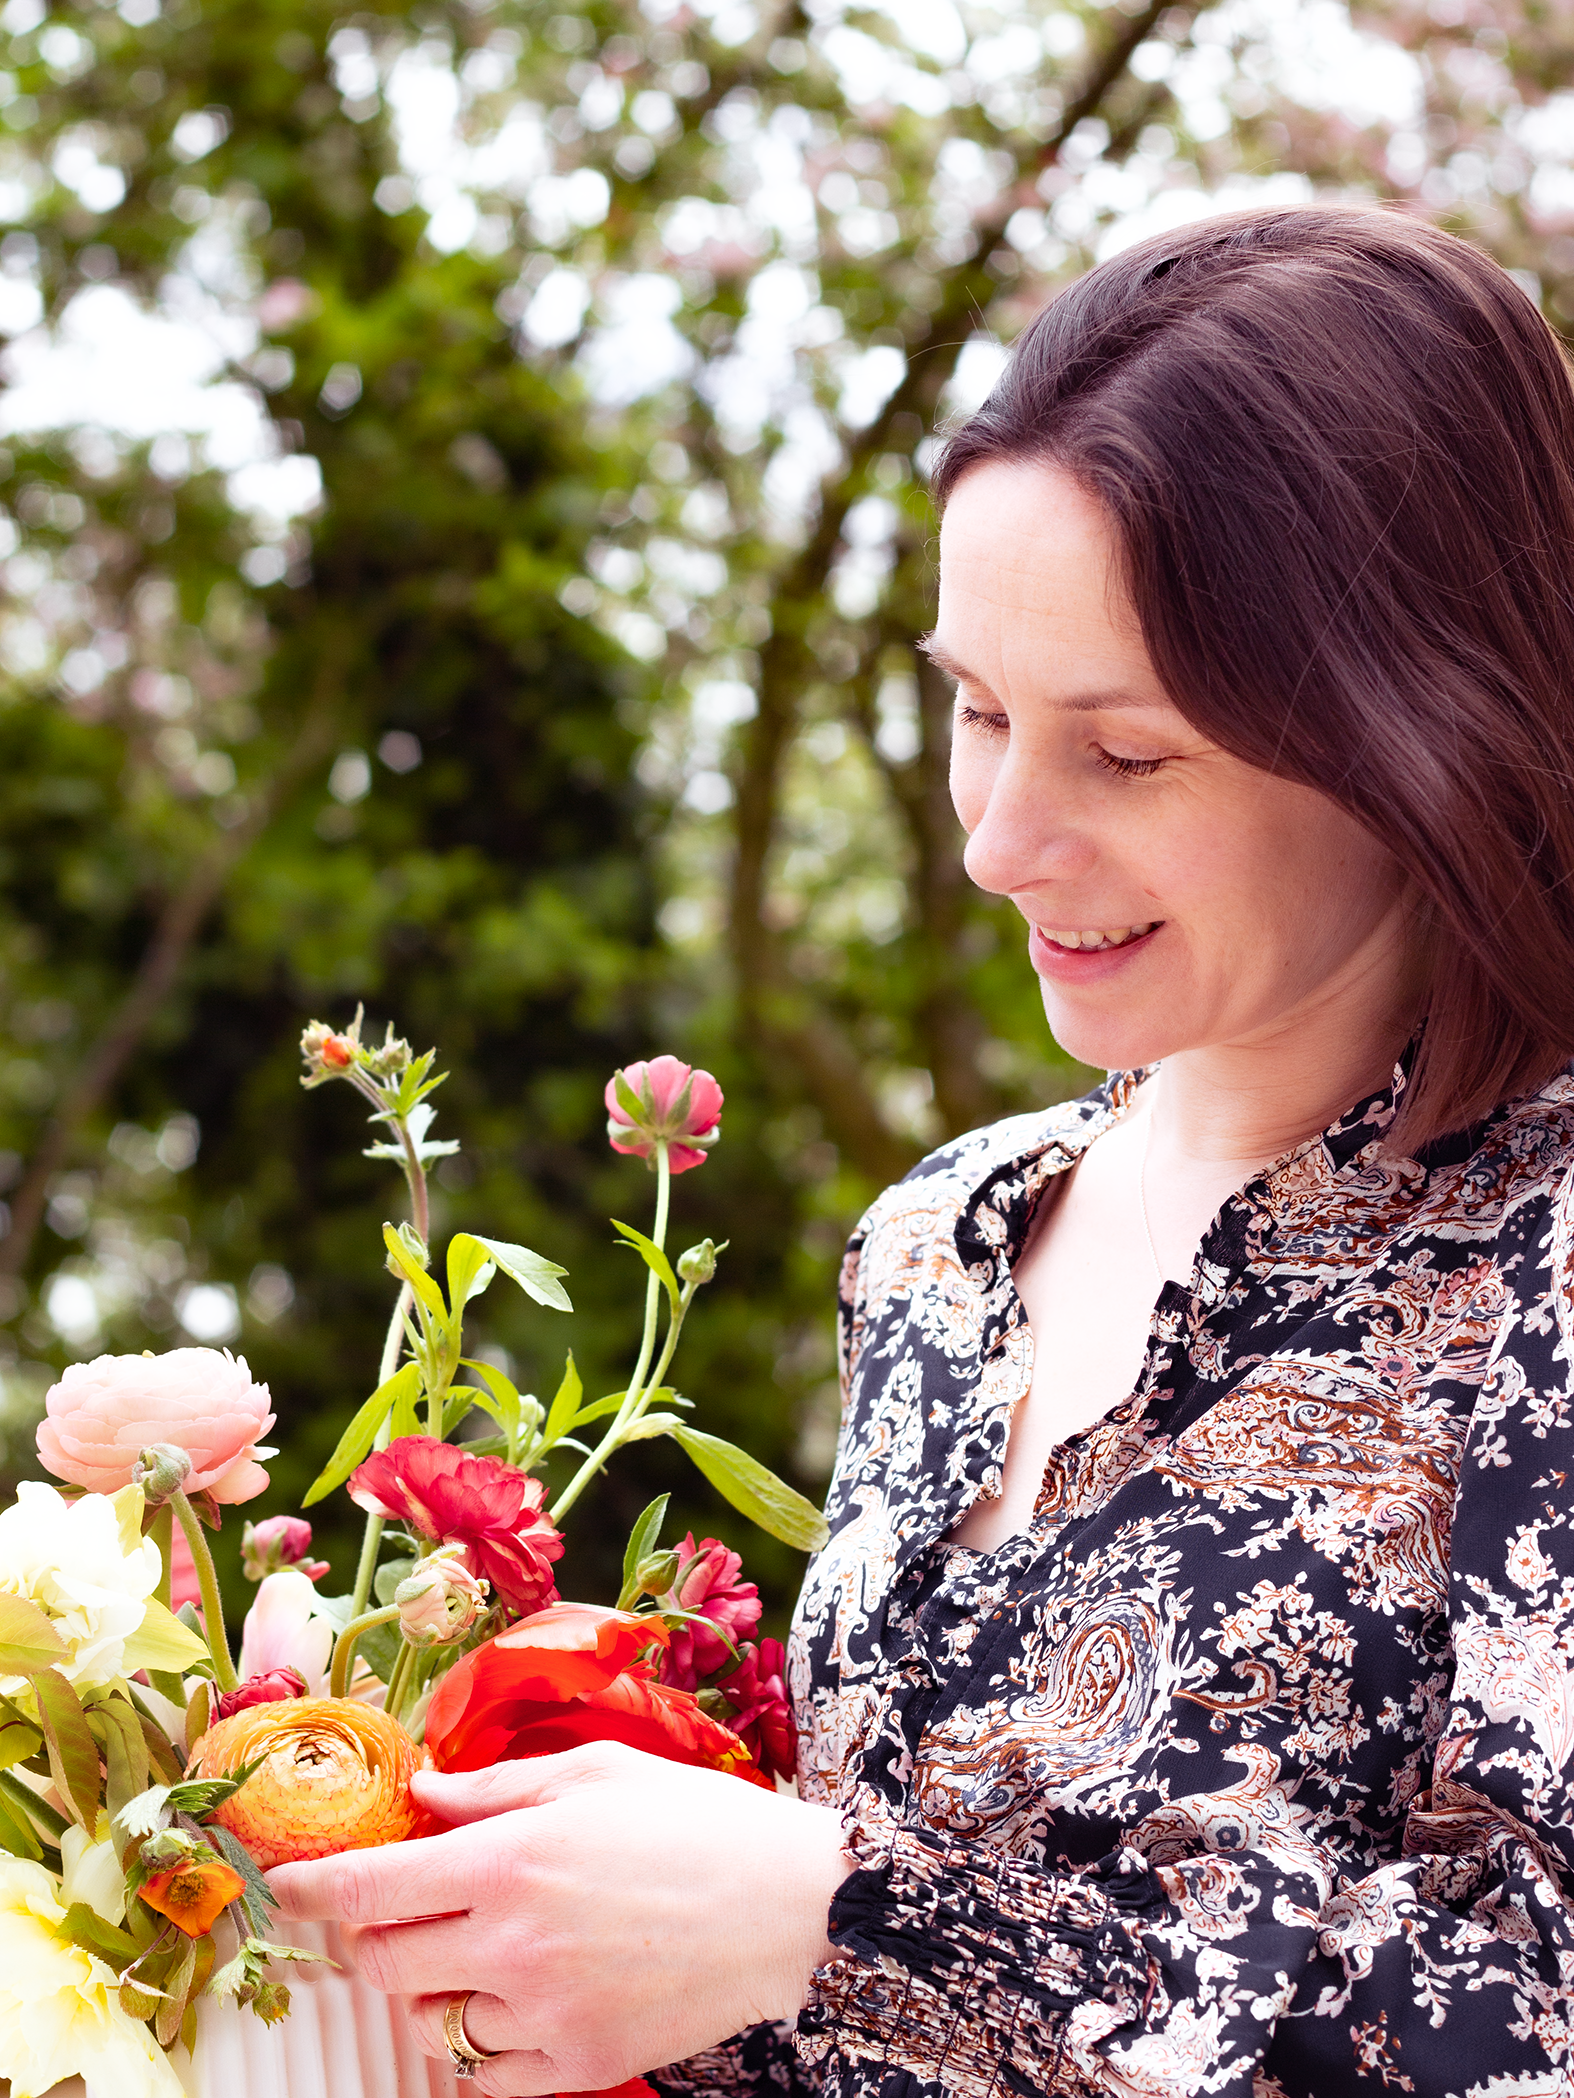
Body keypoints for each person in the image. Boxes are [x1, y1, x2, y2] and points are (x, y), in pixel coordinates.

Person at [269, 205, 1574, 2097]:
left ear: (1415, 727)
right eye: (976, 709)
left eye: (1123, 754)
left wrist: (829, 1920)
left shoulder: (1539, 1250)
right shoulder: (944, 1238)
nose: (996, 839)